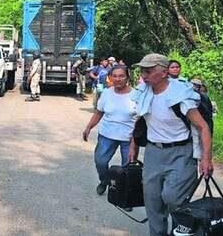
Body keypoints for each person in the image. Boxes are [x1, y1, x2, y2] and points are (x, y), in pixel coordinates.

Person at [129, 54, 213, 236]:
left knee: (173, 197)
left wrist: (206, 158)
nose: (144, 75)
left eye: (149, 71)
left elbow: (203, 126)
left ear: (164, 72)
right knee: (152, 201)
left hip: (181, 153)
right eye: (142, 70)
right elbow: (140, 121)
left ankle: (184, 229)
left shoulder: (180, 94)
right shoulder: (144, 93)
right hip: (153, 152)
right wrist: (133, 146)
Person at [83, 66, 136, 199]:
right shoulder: (107, 93)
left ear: (127, 77)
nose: (118, 79)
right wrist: (89, 127)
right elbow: (99, 112)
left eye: (121, 76)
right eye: (115, 76)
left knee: (127, 168)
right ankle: (105, 180)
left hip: (128, 138)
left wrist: (135, 143)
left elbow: (141, 121)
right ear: (110, 78)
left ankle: (123, 196)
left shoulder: (136, 95)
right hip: (107, 135)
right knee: (100, 161)